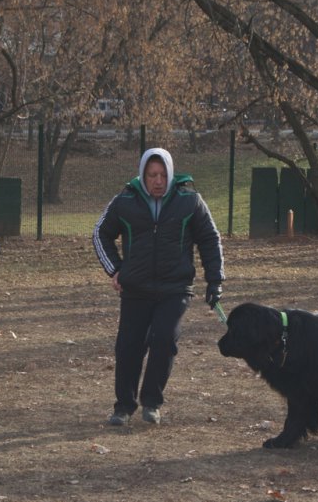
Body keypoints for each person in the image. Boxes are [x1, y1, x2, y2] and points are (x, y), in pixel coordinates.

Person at [93, 148, 224, 426]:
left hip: (175, 289)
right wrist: (115, 269)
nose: (158, 181)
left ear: (171, 174)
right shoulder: (124, 201)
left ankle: (151, 402)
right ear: (143, 175)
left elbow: (210, 239)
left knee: (164, 339)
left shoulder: (190, 201)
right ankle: (123, 407)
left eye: (163, 174)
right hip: (135, 290)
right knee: (128, 347)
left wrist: (215, 280)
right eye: (152, 175)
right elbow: (100, 233)